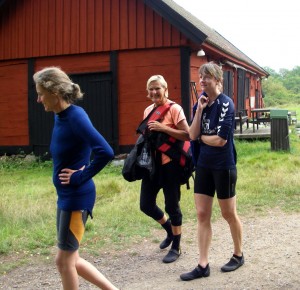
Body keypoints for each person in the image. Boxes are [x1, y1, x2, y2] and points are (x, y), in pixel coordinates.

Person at [33, 67, 119, 290]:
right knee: (71, 259)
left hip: (77, 198)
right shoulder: (60, 116)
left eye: (41, 93)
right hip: (66, 197)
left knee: (64, 261)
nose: (38, 98)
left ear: (55, 92)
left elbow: (105, 151)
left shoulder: (75, 117)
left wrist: (81, 175)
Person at [180, 62, 244, 281]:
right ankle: (203, 264)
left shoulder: (227, 104)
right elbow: (191, 133)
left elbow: (220, 139)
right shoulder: (200, 104)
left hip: (223, 166)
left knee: (228, 213)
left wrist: (201, 138)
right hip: (203, 165)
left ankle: (238, 254)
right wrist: (199, 110)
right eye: (200, 77)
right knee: (201, 214)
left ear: (217, 80)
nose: (201, 81)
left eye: (206, 77)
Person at [139, 75, 190, 263]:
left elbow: (188, 134)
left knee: (172, 206)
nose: (154, 92)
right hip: (152, 166)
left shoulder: (175, 109)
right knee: (146, 204)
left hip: (171, 166)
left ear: (165, 89)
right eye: (151, 89)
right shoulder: (147, 110)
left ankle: (176, 246)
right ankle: (169, 230)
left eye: (157, 88)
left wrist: (163, 128)